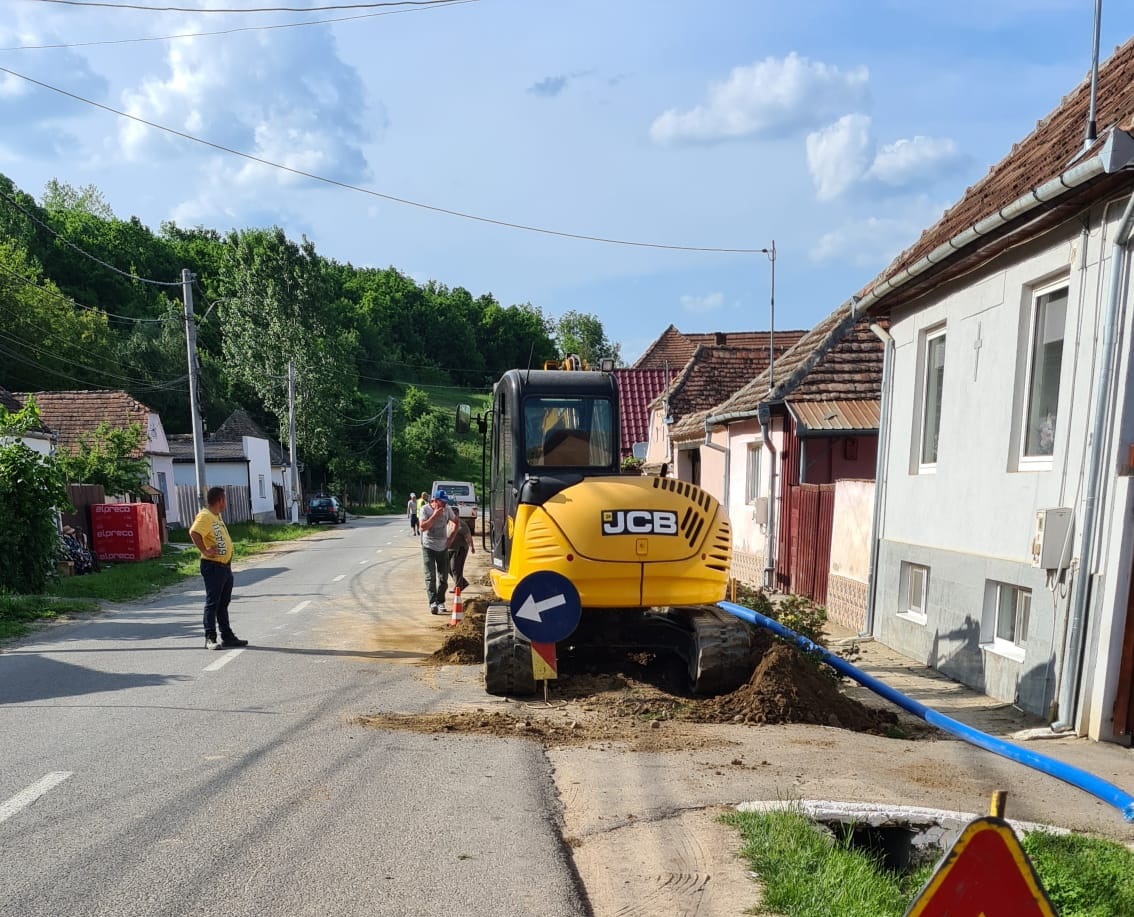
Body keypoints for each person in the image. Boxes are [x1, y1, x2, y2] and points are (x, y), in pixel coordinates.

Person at [189, 487, 248, 651]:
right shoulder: (205, 516)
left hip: (224, 566)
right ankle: (210, 637)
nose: (226, 503)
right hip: (213, 566)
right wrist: (204, 550)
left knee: (223, 603)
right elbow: (194, 533)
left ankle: (227, 637)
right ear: (220, 500)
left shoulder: (216, 516)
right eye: (224, 499)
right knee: (213, 603)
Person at [419, 489, 454, 615]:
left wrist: (451, 538)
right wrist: (434, 516)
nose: (444, 505)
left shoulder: (447, 509)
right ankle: (433, 602)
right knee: (430, 576)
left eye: (445, 502)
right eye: (442, 502)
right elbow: (422, 527)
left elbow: (455, 522)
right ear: (434, 500)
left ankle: (440, 601)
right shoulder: (425, 510)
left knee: (443, 577)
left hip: (443, 547)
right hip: (428, 546)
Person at [447, 511, 474, 592]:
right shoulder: (448, 522)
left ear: (457, 514)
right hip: (449, 549)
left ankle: (458, 587)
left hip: (460, 549)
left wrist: (472, 547)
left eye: (454, 514)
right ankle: (463, 583)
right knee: (448, 568)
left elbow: (468, 535)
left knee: (455, 568)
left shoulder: (461, 524)